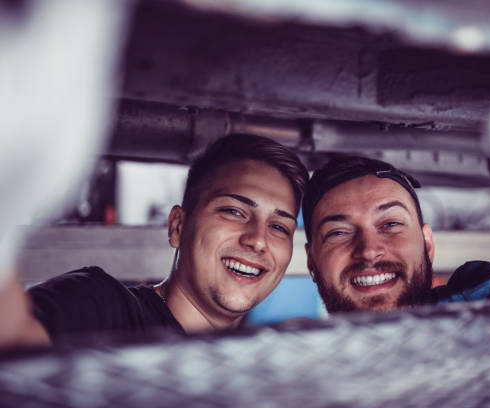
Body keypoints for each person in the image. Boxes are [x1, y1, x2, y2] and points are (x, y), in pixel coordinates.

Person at [0, 133, 309, 346]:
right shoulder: (103, 307)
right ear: (178, 226)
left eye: (279, 226)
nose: (257, 239)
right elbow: (12, 341)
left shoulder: (263, 360)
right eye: (233, 211)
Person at [302, 155, 490, 313]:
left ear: (427, 244)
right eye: (339, 232)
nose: (369, 250)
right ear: (312, 262)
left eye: (390, 225)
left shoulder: (484, 306)